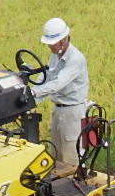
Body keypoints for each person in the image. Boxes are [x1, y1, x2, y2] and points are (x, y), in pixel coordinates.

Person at [32, 17, 89, 170]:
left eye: (52, 44)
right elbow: (47, 77)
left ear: (63, 41)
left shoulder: (75, 59)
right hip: (58, 110)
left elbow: (58, 84)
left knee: (72, 155)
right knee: (56, 154)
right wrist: (31, 98)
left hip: (72, 113)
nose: (49, 47)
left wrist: (34, 92)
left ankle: (76, 187)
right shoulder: (54, 56)